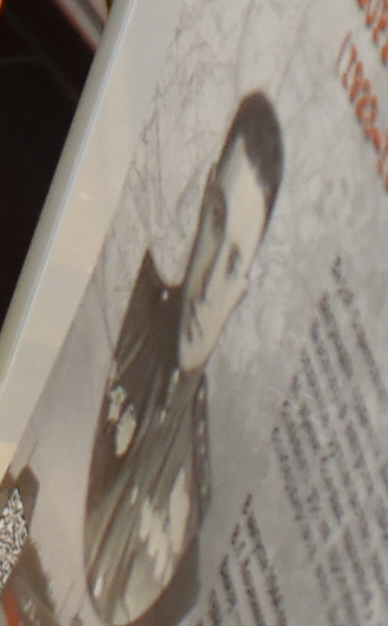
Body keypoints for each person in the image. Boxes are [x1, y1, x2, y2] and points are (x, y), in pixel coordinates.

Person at [78, 95, 284, 626]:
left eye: (234, 265)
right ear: (203, 202)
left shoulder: (202, 495)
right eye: (217, 221)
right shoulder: (125, 308)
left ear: (245, 286)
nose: (211, 285)